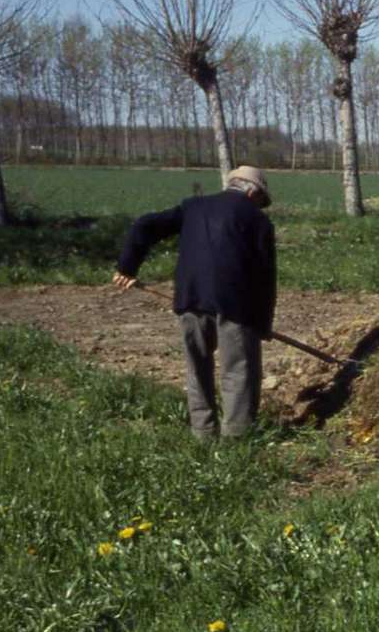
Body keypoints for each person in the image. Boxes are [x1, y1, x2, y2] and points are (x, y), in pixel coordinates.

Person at [112, 165, 277, 440]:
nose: (261, 205)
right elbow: (265, 276)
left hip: (190, 298)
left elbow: (144, 225)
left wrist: (127, 267)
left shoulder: (193, 207)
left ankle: (203, 433)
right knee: (238, 371)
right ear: (253, 192)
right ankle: (237, 438)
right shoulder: (258, 221)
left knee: (197, 367)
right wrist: (263, 323)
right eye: (261, 200)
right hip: (237, 305)